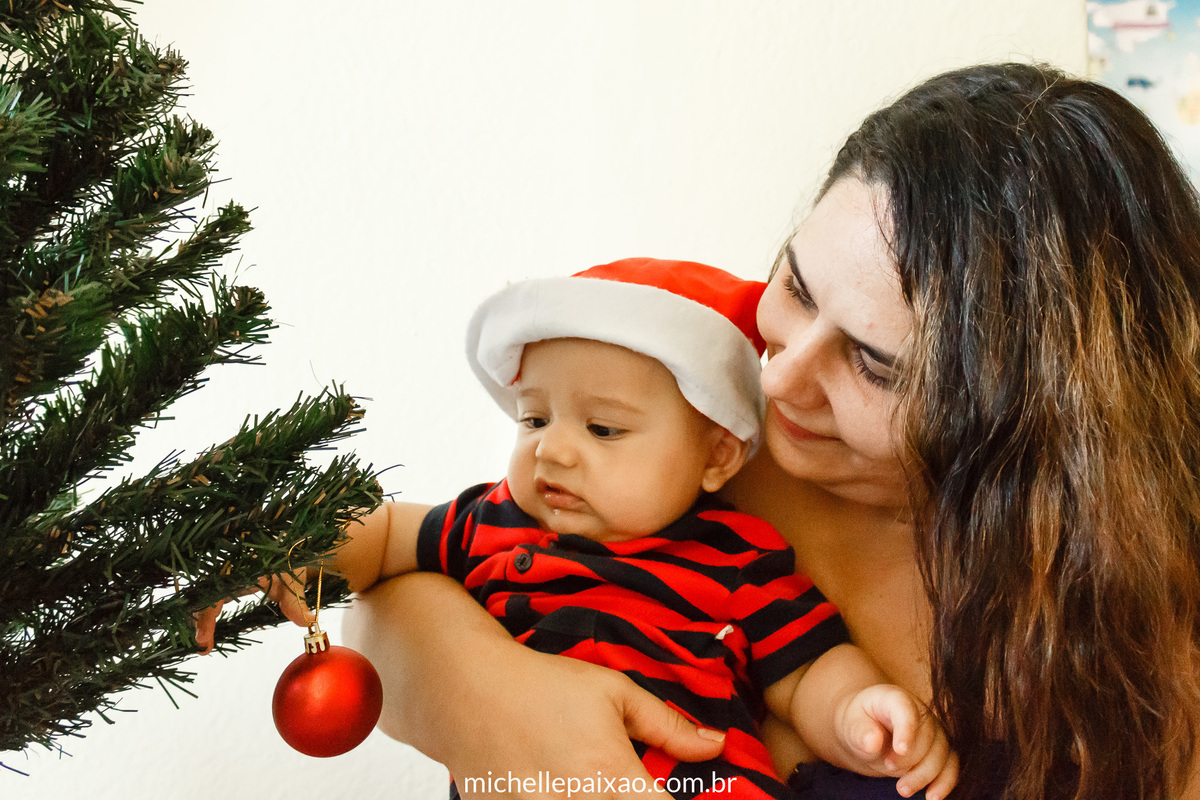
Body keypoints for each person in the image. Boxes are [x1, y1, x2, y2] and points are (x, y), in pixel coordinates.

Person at [341, 63, 1200, 800]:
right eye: (795, 285)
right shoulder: (686, 404)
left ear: (1022, 418)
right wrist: (502, 702)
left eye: (873, 362)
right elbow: (387, 600)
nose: (778, 376)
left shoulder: (1138, 613)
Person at [197, 258, 958, 799]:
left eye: (602, 428)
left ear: (717, 455)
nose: (551, 448)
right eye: (534, 417)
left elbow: (805, 673)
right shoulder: (491, 522)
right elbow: (387, 539)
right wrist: (285, 547)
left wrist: (861, 715)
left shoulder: (738, 559)